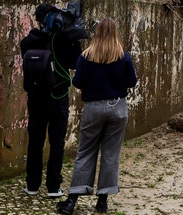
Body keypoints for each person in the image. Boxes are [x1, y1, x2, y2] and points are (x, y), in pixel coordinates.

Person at [57, 17, 138, 215]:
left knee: (85, 152)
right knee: (111, 154)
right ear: (115, 33)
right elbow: (132, 81)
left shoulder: (86, 56)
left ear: (97, 33)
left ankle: (71, 201)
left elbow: (77, 82)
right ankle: (102, 201)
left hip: (93, 107)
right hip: (117, 108)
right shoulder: (123, 56)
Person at [20, 3, 83, 199]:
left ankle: (32, 184)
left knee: (35, 141)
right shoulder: (63, 39)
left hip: (36, 98)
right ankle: (54, 186)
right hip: (58, 97)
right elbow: (75, 62)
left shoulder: (29, 41)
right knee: (57, 142)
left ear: (38, 20)